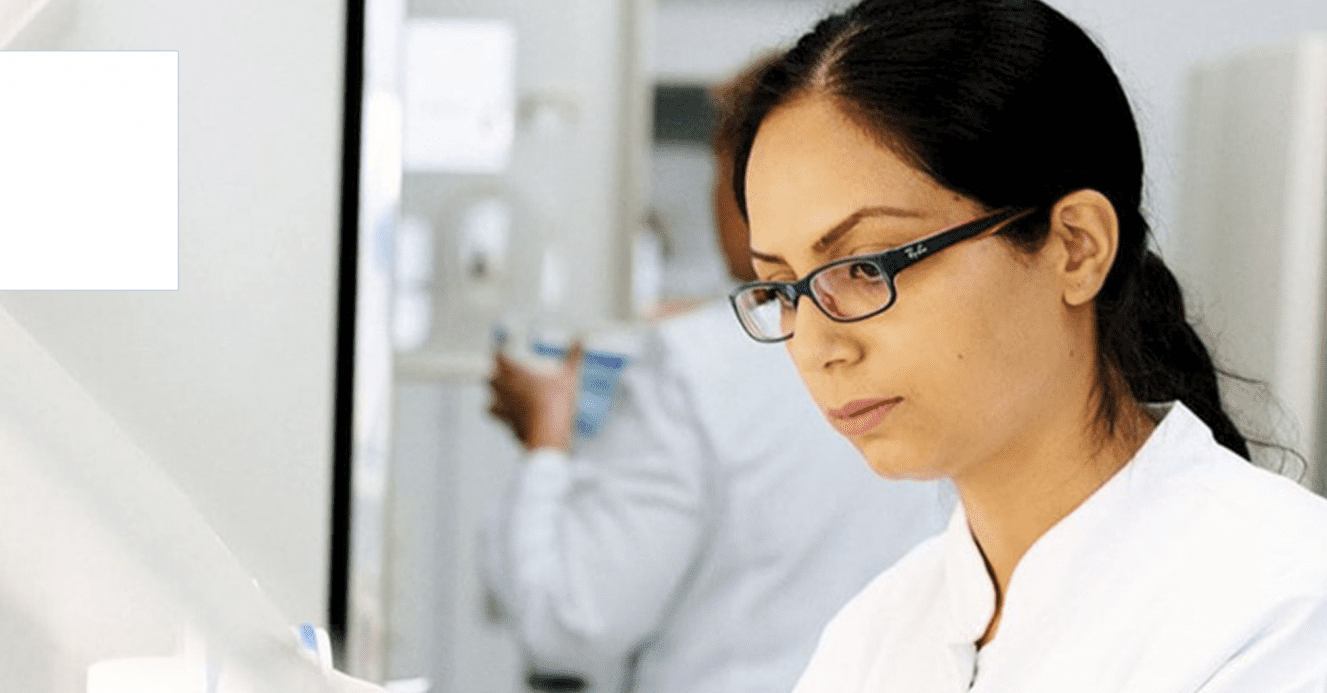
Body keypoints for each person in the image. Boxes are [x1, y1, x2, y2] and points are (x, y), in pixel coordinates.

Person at [723, 0, 1327, 690]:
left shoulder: (1282, 606)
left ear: (1076, 247)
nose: (817, 346)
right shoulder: (872, 638)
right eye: (782, 288)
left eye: (864, 267)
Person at [476, 55, 947, 693]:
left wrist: (545, 442)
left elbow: (573, 623)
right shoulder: (936, 344)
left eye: (719, 170)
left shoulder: (694, 363)